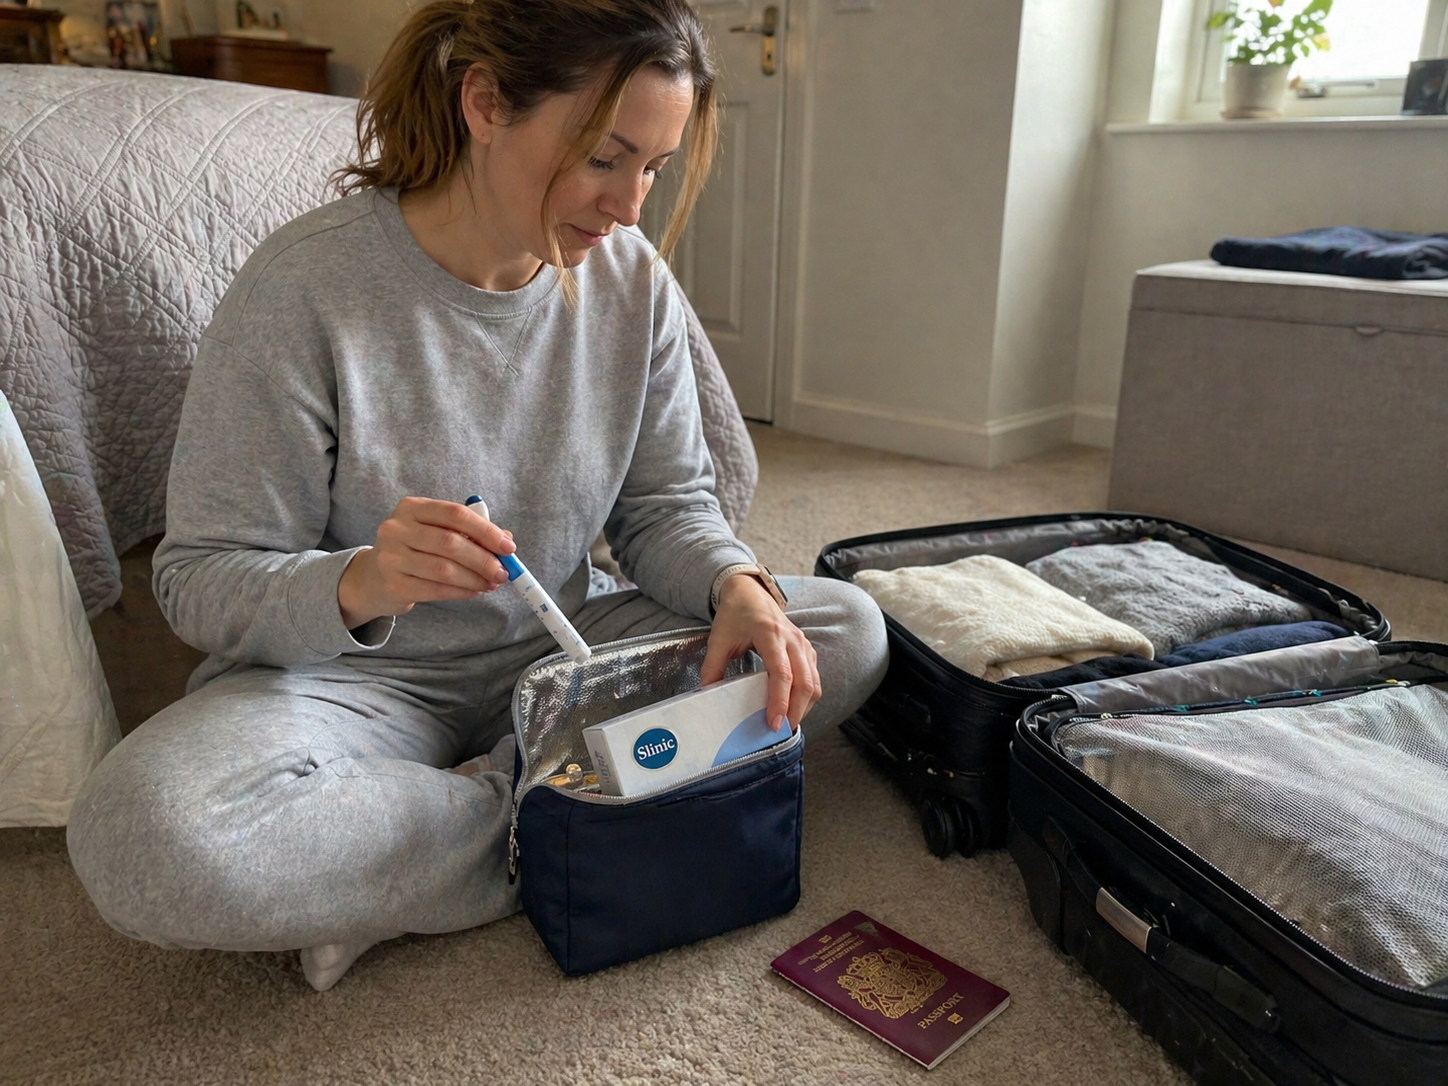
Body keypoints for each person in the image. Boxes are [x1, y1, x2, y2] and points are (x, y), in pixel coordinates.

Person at [67, 0, 887, 992]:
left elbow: (665, 508)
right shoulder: (305, 290)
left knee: (841, 627)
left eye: (652, 169)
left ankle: (400, 867)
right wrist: (362, 581)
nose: (628, 206)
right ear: (485, 103)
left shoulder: (630, 283)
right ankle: (572, 816)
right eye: (602, 158)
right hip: (354, 687)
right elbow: (198, 581)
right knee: (142, 837)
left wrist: (734, 585)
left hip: (566, 645)